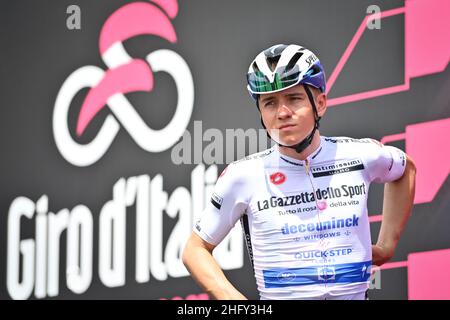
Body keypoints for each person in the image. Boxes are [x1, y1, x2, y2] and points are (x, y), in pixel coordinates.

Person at [182, 44, 416, 300]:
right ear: (261, 113)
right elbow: (195, 249)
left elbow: (406, 169)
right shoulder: (243, 176)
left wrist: (386, 244)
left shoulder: (361, 154)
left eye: (294, 98)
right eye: (270, 103)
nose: (282, 113)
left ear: (321, 103)